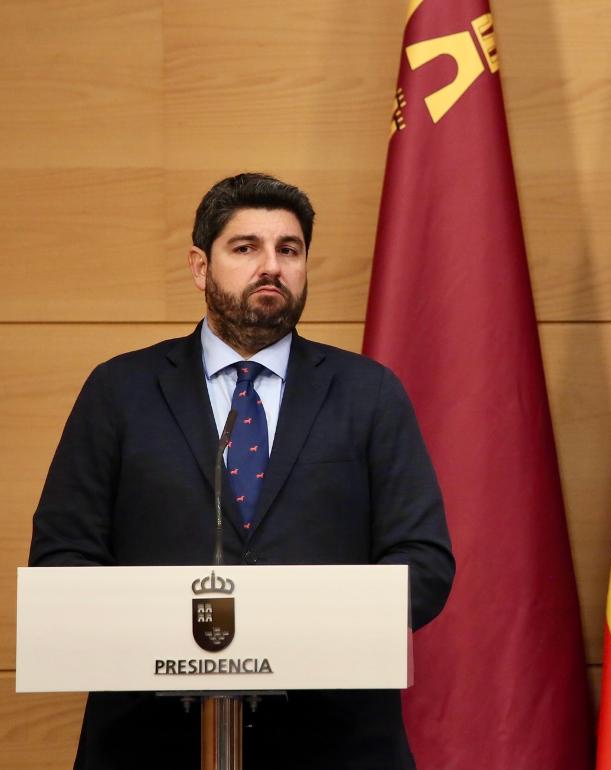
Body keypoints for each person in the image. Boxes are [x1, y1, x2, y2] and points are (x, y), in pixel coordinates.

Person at [29, 172, 455, 769]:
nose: (271, 267)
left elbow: (424, 558)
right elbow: (64, 554)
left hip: (332, 738)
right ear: (201, 267)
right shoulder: (120, 390)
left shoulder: (368, 393)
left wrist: (305, 628)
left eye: (289, 250)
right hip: (152, 737)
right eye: (245, 247)